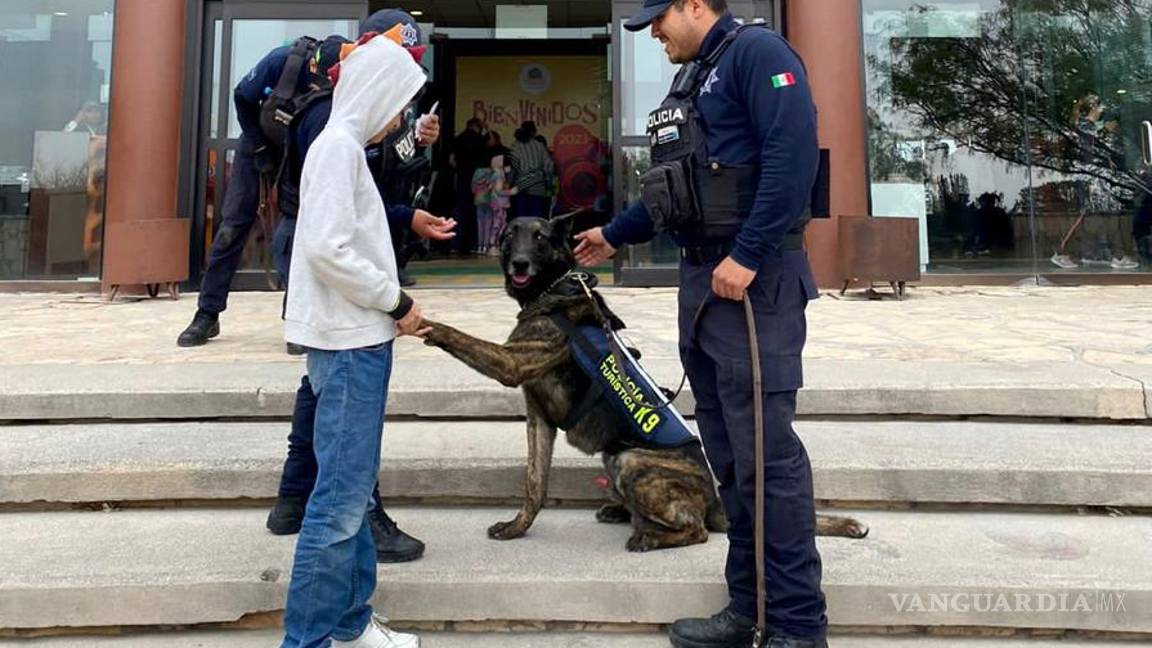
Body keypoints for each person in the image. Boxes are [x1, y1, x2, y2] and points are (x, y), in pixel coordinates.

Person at [574, 1, 827, 646]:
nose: (652, 34)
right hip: (706, 285)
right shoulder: (694, 75)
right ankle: (748, 610)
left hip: (753, 286)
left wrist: (749, 252)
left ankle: (797, 624)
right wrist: (613, 233)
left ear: (693, 4)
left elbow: (793, 159)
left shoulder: (759, 55)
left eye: (658, 20)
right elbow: (675, 188)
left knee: (766, 459)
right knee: (731, 461)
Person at [265, 10, 454, 566]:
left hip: (351, 282)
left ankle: (294, 501)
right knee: (343, 447)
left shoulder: (351, 130)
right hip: (343, 290)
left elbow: (379, 185)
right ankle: (355, 520)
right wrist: (393, 299)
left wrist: (414, 151)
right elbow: (330, 231)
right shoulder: (330, 127)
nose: (398, 111)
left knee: (319, 396)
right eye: (399, 73)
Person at [279, 33, 428, 648]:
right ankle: (308, 639)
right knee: (339, 504)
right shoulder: (337, 150)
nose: (400, 118)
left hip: (355, 337)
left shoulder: (342, 150)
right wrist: (395, 301)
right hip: (347, 344)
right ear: (375, 91)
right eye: (398, 102)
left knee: (353, 488)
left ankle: (350, 623)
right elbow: (328, 249)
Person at [177, 12, 442, 348]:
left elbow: (383, 158)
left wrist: (417, 139)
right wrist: (259, 147)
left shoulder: (374, 94)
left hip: (311, 156)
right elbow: (243, 97)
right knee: (234, 224)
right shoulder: (290, 61)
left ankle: (298, 318)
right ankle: (207, 313)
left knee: (302, 228)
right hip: (265, 141)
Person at [471, 151, 517, 254]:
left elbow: (474, 187)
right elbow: (498, 190)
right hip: (498, 203)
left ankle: (482, 246)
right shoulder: (498, 174)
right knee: (496, 224)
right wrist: (512, 191)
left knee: (483, 223)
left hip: (482, 201)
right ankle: (491, 245)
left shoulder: (481, 172)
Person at [510, 120, 554, 218]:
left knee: (521, 215)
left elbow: (513, 167)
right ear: (534, 132)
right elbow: (548, 167)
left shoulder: (515, 145)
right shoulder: (539, 146)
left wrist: (510, 183)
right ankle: (533, 233)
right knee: (534, 216)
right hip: (537, 185)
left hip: (520, 185)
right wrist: (549, 183)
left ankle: (522, 233)